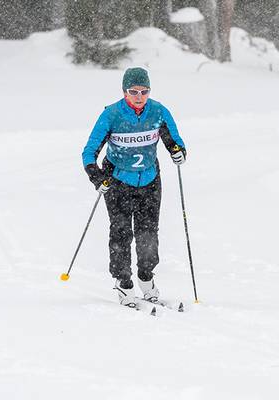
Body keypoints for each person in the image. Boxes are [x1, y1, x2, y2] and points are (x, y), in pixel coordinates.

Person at [81, 67, 186, 307]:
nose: (139, 96)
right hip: (118, 181)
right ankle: (124, 283)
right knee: (121, 233)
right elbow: (89, 152)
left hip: (149, 180)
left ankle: (146, 278)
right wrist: (97, 177)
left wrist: (178, 153)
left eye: (144, 91)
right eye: (133, 91)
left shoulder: (158, 112)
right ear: (124, 91)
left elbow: (175, 141)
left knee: (148, 234)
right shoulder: (111, 115)